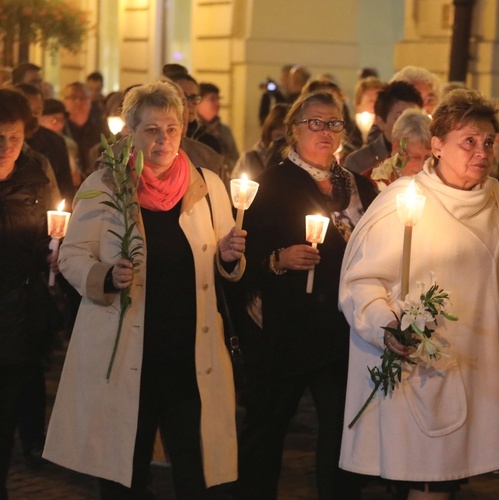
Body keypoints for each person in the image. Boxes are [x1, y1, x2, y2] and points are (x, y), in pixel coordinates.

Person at [339, 89, 499, 499]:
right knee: (424, 479)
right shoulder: (402, 201)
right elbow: (361, 281)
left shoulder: (494, 200)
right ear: (437, 145)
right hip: (417, 362)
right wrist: (388, 326)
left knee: (448, 480)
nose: (482, 151)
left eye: (488, 141)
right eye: (468, 141)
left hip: (472, 363)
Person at [43, 80, 247, 497]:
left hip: (189, 356)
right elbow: (73, 255)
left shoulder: (206, 186)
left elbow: (224, 259)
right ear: (130, 133)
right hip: (128, 355)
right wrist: (104, 275)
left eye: (171, 129)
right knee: (125, 473)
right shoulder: (104, 185)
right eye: (152, 129)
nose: (163, 139)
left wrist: (229, 256)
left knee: (196, 469)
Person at [237, 90, 378, 499]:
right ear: (294, 130)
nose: (325, 131)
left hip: (341, 326)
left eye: (334, 123)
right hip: (288, 326)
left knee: (340, 428)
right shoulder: (274, 182)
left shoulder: (356, 185)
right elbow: (244, 252)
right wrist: (279, 258)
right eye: (315, 123)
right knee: (268, 423)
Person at [0, 89, 58, 500]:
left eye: (14, 138)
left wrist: (56, 253)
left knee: (5, 415)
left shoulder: (36, 173)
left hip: (18, 314)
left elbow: (48, 238)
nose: (6, 148)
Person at [344, 81, 423, 174]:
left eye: (414, 117)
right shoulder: (359, 161)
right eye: (399, 118)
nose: (408, 124)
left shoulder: (431, 159)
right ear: (381, 122)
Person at [362, 108, 432, 191]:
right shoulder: (370, 183)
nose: (423, 166)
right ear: (396, 146)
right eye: (415, 157)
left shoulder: (437, 180)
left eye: (427, 158)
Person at [62, 82, 109, 179]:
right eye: (73, 97)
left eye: (83, 98)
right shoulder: (59, 129)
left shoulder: (101, 129)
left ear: (90, 102)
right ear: (63, 101)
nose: (78, 102)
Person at [232, 102, 289, 180]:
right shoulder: (249, 159)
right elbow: (234, 185)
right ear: (268, 132)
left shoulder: (296, 161)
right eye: (279, 137)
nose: (282, 143)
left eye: (286, 138)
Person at [198, 82, 240, 165]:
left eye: (218, 99)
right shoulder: (193, 131)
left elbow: (236, 160)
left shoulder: (224, 130)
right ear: (199, 101)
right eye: (212, 99)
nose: (217, 104)